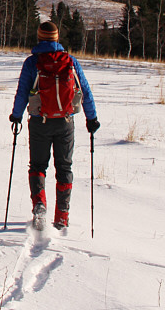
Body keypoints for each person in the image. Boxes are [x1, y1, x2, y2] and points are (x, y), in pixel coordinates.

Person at [9, 22, 99, 230]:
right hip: (65, 123)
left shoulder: (32, 63)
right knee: (64, 167)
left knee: (38, 166)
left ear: (39, 38)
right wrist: (91, 118)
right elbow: (84, 90)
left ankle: (39, 206)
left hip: (40, 121)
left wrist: (16, 116)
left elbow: (22, 92)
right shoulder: (71, 61)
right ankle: (62, 216)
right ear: (57, 38)